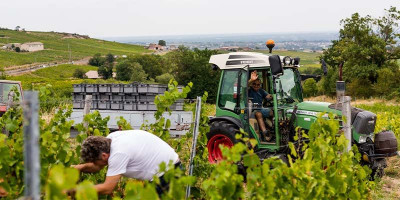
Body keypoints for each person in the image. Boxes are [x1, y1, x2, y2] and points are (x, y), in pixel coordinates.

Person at [72, 130, 181, 196]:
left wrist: (76, 190)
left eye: (95, 161)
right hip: (163, 171)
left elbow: (107, 188)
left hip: (168, 174)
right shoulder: (110, 140)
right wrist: (79, 168)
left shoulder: (118, 154)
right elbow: (98, 166)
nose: (96, 164)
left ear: (104, 156)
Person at [248, 70, 274, 142]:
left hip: (261, 108)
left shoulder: (261, 91)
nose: (256, 86)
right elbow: (244, 87)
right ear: (252, 84)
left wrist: (273, 95)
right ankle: (265, 134)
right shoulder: (249, 90)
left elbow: (268, 96)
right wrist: (251, 80)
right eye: (254, 84)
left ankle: (273, 128)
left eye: (258, 85)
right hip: (252, 110)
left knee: (272, 111)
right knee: (258, 114)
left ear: (260, 85)